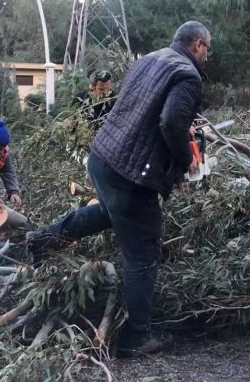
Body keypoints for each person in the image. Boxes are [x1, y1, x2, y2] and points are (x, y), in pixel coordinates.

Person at [27, 21, 211, 355]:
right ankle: (136, 337)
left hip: (102, 157)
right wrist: (186, 161)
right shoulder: (188, 75)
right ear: (198, 45)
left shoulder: (149, 60)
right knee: (143, 250)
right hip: (131, 174)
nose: (207, 58)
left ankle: (42, 240)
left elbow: (146, 113)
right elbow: (169, 122)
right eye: (207, 50)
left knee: (112, 213)